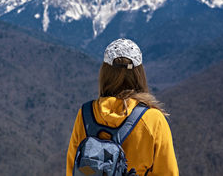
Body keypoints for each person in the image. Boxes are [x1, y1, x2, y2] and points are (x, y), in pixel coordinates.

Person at [66, 38, 179, 176]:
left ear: (105, 73)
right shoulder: (153, 120)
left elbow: (72, 168)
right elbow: (168, 172)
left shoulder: (85, 114)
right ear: (139, 74)